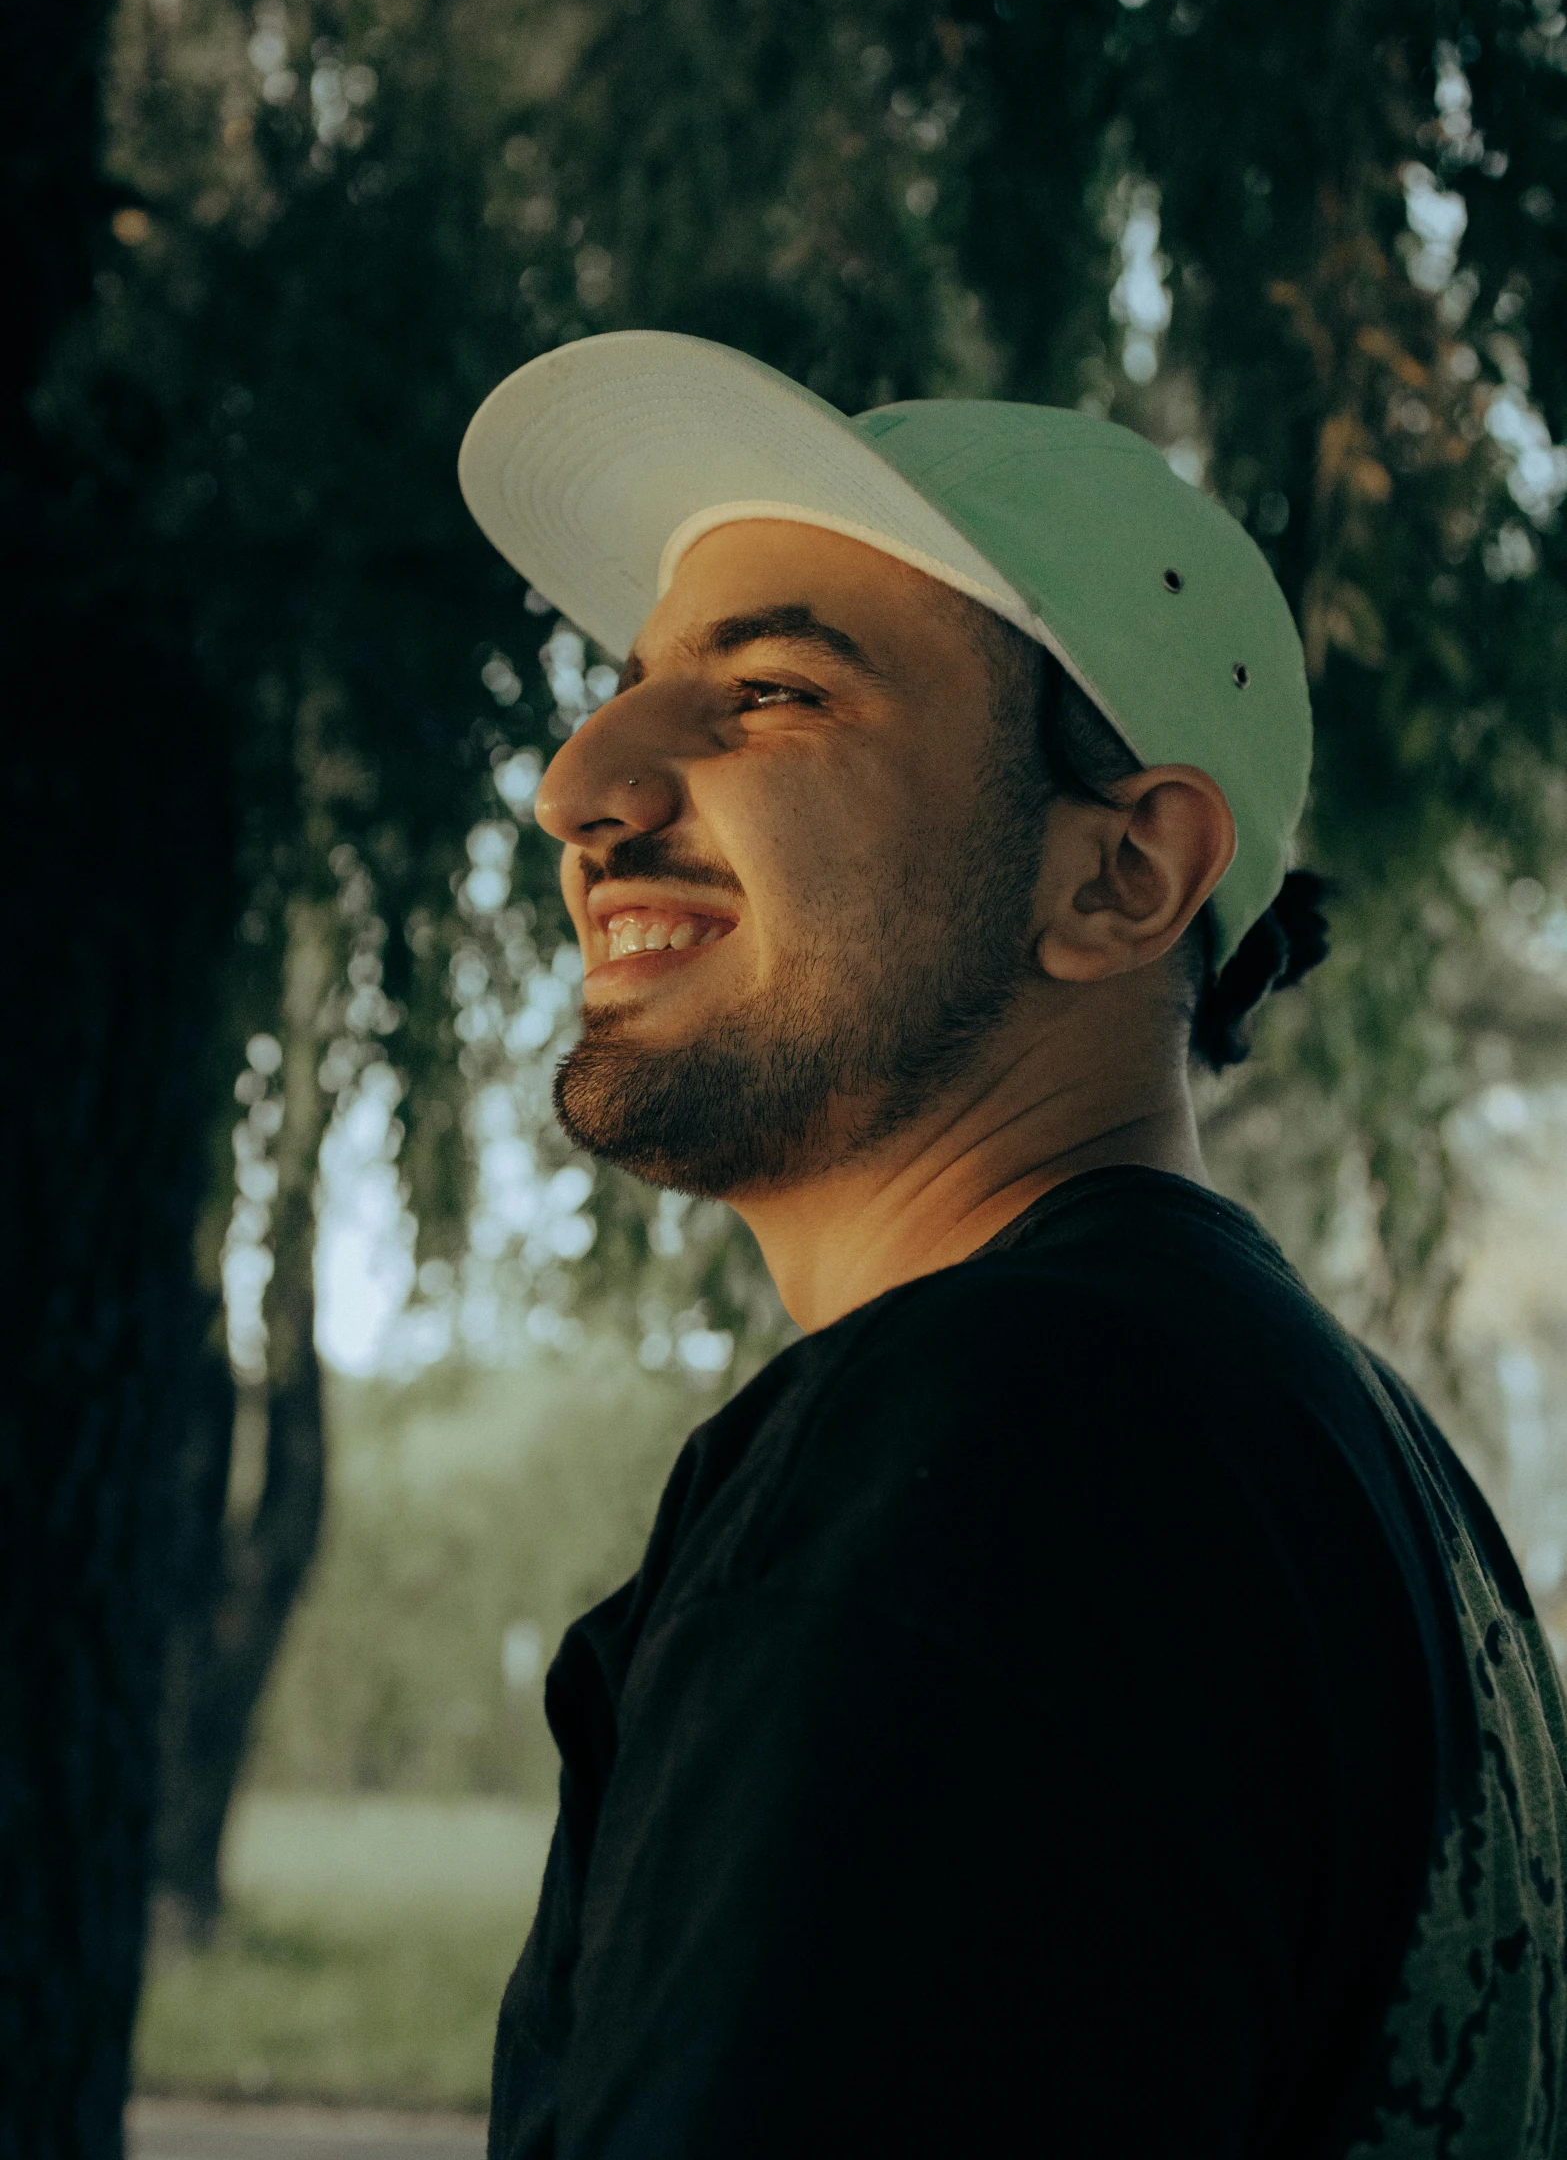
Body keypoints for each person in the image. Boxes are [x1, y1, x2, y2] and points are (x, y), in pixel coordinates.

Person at [459, 332, 1567, 2158]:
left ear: (1118, 875)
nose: (579, 786)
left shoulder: (986, 1450)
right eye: (630, 689)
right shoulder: (1337, 1460)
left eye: (770, 696)